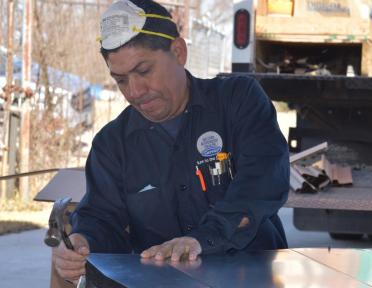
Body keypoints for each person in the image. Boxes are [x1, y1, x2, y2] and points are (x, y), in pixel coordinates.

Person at [51, 0, 290, 284]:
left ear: (178, 52)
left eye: (143, 71)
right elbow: (103, 219)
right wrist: (83, 242)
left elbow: (262, 183)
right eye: (121, 80)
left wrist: (203, 239)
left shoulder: (238, 101)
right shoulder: (112, 144)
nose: (135, 91)